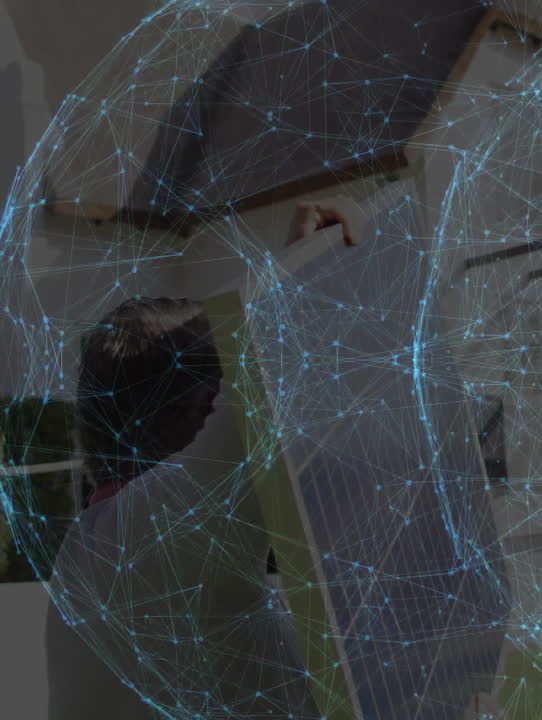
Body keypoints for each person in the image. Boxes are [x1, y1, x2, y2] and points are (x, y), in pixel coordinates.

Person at [42, 200, 372, 719]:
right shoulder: (147, 544)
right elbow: (256, 412)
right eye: (220, 389)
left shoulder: (104, 552)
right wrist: (304, 271)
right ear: (199, 413)